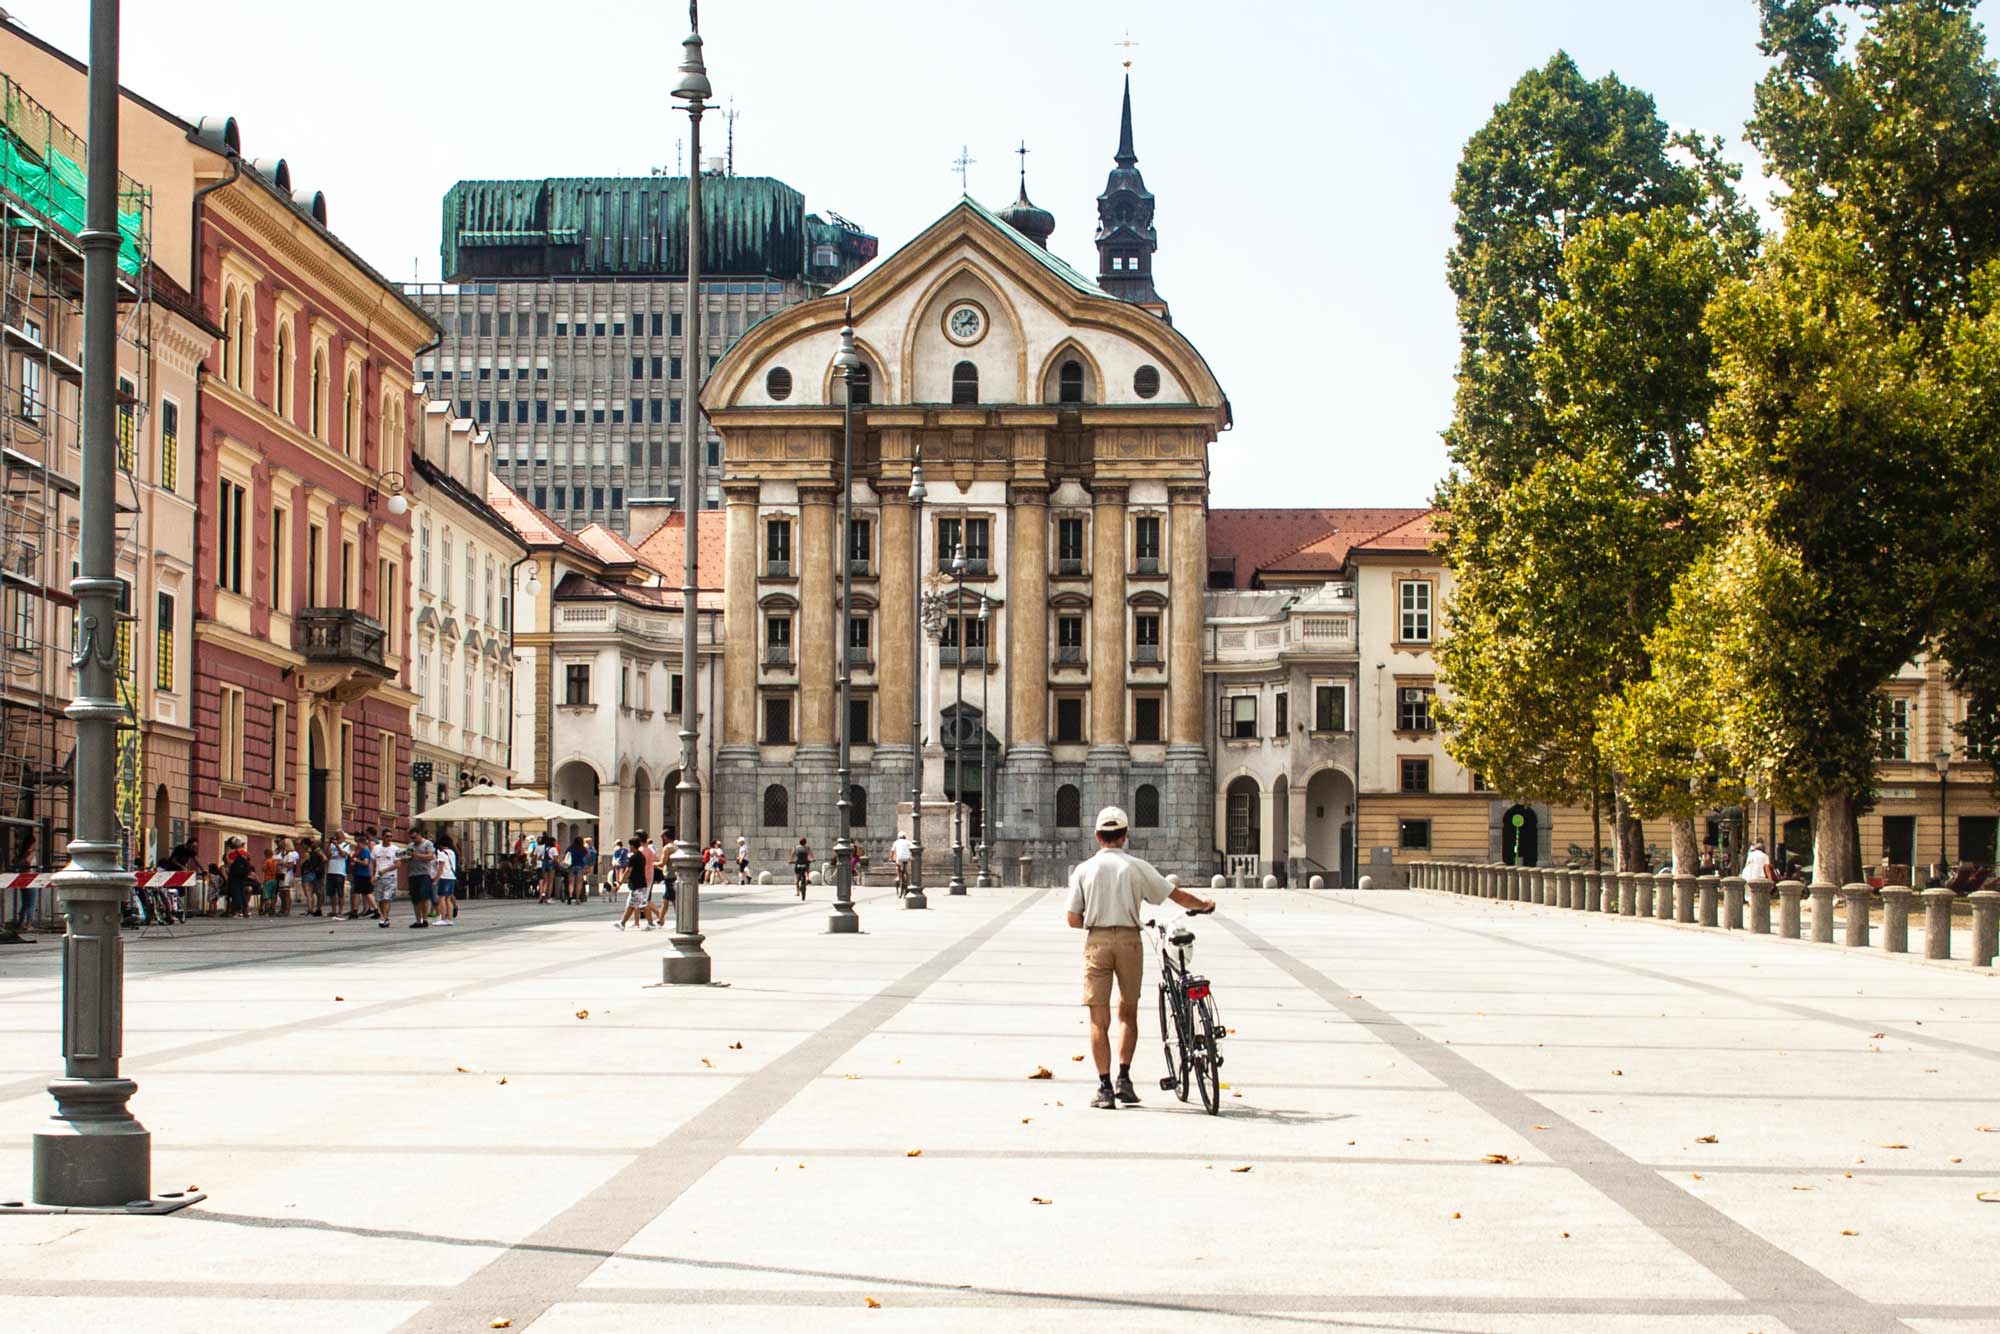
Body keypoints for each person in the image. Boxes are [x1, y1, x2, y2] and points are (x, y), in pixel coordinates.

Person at [1066, 805, 1216, 1110]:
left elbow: (1072, 918)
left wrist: (1097, 920)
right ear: (1124, 836)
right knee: (1128, 1013)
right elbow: (1174, 894)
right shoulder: (1136, 866)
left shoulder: (1083, 870)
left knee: (1098, 1019)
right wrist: (1204, 904)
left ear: (1097, 836)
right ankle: (1124, 1080)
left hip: (1097, 942)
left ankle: (1104, 1088)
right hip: (1130, 943)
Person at [616, 835, 653, 931]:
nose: (629, 847)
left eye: (629, 845)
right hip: (640, 883)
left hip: (637, 885)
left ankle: (651, 923)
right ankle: (622, 923)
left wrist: (620, 882)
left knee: (642, 904)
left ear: (632, 846)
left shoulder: (633, 857)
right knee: (632, 904)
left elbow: (628, 870)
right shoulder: (641, 856)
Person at [370, 831, 401, 928]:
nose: (389, 838)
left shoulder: (396, 849)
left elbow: (398, 864)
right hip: (378, 877)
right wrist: (372, 875)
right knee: (379, 899)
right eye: (387, 836)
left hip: (390, 877)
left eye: (391, 836)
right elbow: (372, 862)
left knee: (386, 898)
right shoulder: (376, 848)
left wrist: (385, 870)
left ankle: (384, 918)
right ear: (382, 837)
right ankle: (385, 917)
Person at [348, 830, 377, 920]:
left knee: (366, 893)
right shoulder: (363, 850)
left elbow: (366, 863)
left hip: (363, 875)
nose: (357, 845)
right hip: (361, 874)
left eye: (358, 843)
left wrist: (356, 861)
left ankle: (376, 910)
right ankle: (355, 911)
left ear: (361, 843)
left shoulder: (365, 850)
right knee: (359, 893)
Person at [223, 837, 255, 918]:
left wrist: (227, 854)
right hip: (243, 874)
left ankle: (238, 911)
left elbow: (230, 863)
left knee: (236, 892)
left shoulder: (233, 853)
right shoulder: (245, 853)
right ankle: (246, 911)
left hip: (235, 875)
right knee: (241, 891)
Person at [434, 833, 460, 925]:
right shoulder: (452, 852)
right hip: (451, 877)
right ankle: (449, 918)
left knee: (441, 898)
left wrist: (435, 879)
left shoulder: (441, 853)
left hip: (444, 877)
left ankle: (443, 918)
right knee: (448, 898)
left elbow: (441, 867)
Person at [324, 831, 349, 918]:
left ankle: (340, 911)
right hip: (331, 871)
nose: (336, 837)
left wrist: (337, 845)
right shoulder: (332, 845)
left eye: (337, 836)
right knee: (331, 893)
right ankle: (333, 910)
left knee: (340, 892)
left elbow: (343, 854)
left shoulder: (346, 845)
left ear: (342, 836)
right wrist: (328, 846)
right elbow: (327, 857)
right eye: (335, 836)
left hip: (340, 871)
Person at [891, 830, 913, 896]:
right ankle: (907, 882)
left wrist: (891, 858)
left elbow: (892, 851)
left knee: (897, 865)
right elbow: (912, 849)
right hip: (907, 858)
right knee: (907, 871)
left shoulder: (896, 842)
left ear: (899, 837)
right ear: (905, 837)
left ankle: (898, 877)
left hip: (899, 858)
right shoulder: (909, 842)